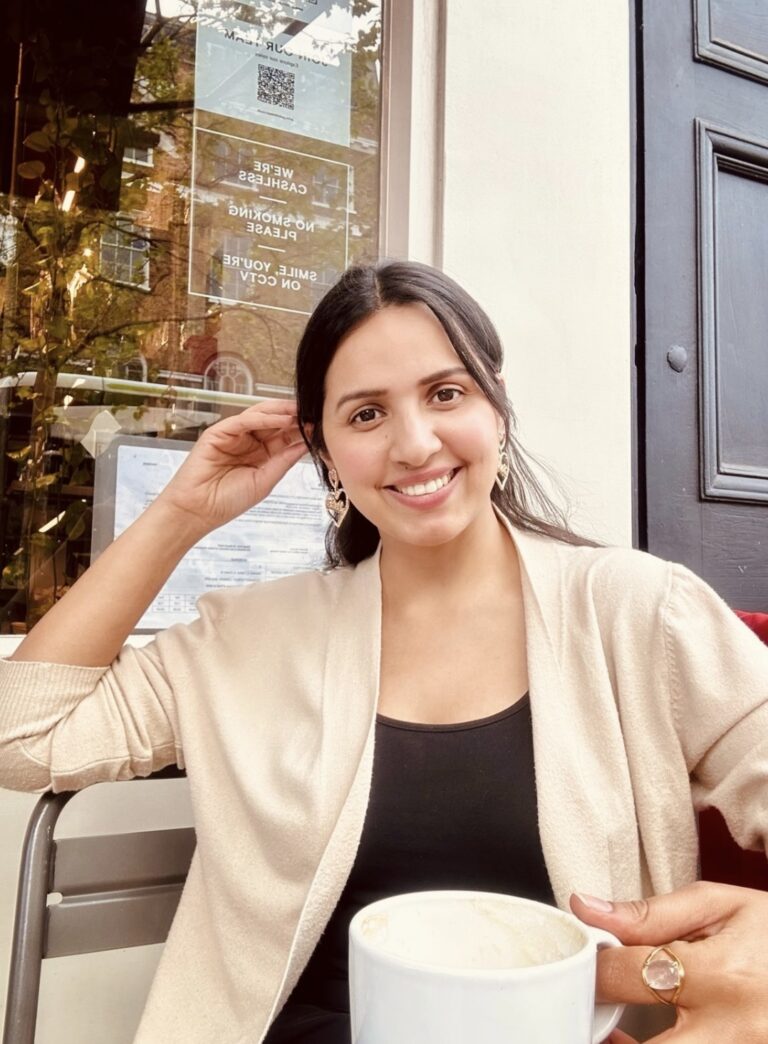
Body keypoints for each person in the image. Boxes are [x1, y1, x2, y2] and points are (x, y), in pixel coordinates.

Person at [1, 260, 767, 1044]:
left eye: (446, 393)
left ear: (497, 408)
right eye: (365, 415)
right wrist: (181, 514)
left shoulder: (639, 611)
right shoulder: (249, 640)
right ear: (325, 451)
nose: (414, 443)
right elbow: (21, 739)